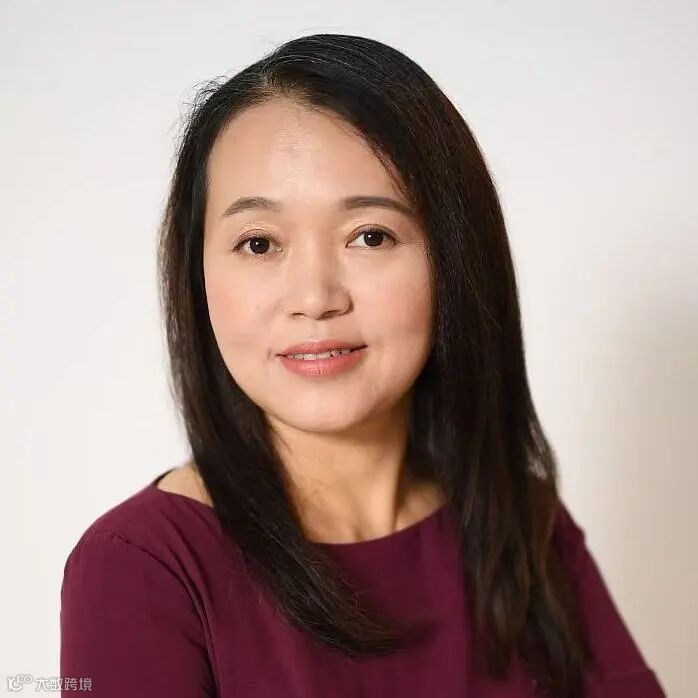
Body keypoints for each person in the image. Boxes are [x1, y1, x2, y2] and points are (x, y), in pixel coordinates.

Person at [59, 33, 666, 698]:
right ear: (197, 273)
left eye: (370, 236)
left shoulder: (521, 524)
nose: (315, 297)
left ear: (453, 256)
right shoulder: (143, 565)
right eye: (258, 243)